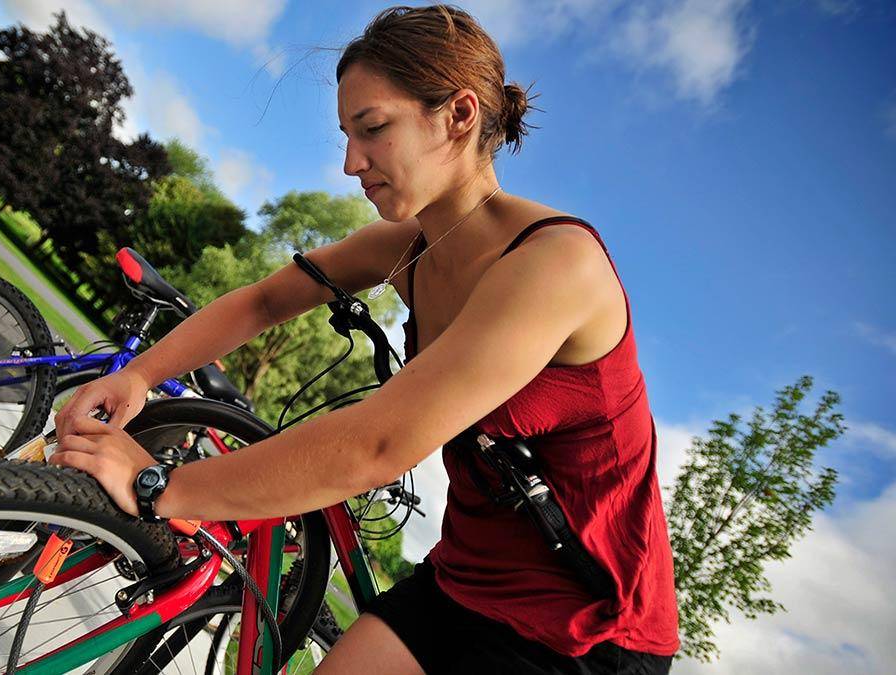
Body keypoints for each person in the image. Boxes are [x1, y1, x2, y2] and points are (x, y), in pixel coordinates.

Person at [51, 5, 679, 673]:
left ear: (459, 116)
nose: (352, 162)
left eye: (374, 129)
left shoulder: (556, 264)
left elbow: (379, 444)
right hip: (465, 579)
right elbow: (264, 300)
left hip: (590, 631)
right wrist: (139, 375)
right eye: (347, 134)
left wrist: (158, 486)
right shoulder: (408, 247)